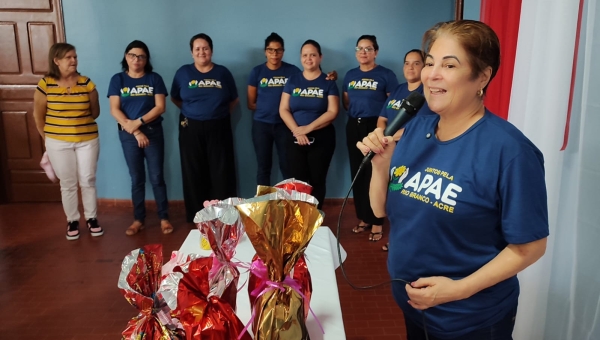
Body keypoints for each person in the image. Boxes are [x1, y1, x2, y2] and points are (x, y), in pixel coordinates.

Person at [357, 20, 549, 339]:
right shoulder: (417, 129)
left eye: (449, 64)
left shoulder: (511, 152)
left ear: (482, 77)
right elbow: (381, 211)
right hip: (414, 307)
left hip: (470, 319)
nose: (431, 74)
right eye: (430, 62)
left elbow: (531, 246)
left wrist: (457, 290)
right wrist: (381, 166)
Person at [33, 43, 103, 240]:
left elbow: (95, 112)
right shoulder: (45, 84)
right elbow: (39, 116)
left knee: (88, 179)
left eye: (75, 57)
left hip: (87, 139)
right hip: (57, 141)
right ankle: (72, 220)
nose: (73, 61)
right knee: (68, 182)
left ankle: (92, 218)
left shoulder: (87, 83)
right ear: (56, 60)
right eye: (68, 57)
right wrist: (48, 140)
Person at [248, 32, 337, 186]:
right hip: (264, 125)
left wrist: (331, 75)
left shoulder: (292, 71)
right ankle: (263, 206)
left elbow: (311, 76)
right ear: (265, 52)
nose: (274, 54)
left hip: (286, 128)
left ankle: (287, 205)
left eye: (278, 50)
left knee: (289, 171)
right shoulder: (257, 72)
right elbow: (251, 102)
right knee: (263, 167)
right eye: (270, 50)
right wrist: (268, 111)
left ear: (283, 51)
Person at [171, 33, 238, 223]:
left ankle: (224, 215)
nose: (202, 52)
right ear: (192, 52)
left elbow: (234, 100)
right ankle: (197, 215)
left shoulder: (223, 73)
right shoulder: (183, 73)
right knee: (193, 171)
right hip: (190, 127)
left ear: (211, 50)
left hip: (219, 126)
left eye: (205, 48)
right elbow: (176, 98)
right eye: (197, 49)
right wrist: (194, 112)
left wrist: (216, 114)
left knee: (221, 171)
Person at [107, 40, 173, 236]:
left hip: (153, 132)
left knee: (157, 177)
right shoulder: (118, 80)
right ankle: (138, 220)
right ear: (126, 57)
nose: (137, 59)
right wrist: (135, 130)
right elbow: (114, 109)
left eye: (141, 56)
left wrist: (140, 122)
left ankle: (164, 218)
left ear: (146, 60)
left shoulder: (154, 79)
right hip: (128, 135)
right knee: (137, 178)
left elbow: (160, 107)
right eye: (133, 55)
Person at [342, 35, 399, 242]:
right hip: (353, 126)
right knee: (357, 173)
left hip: (375, 128)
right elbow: (346, 102)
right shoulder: (350, 75)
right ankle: (363, 218)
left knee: (374, 174)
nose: (363, 52)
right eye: (360, 48)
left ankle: (377, 221)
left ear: (376, 52)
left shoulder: (386, 75)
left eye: (368, 49)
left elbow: (392, 105)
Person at [279, 40, 339, 210]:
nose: (309, 58)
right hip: (294, 137)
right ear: (300, 58)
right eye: (305, 55)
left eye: (313, 55)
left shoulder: (328, 82)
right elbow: (283, 109)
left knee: (317, 179)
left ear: (320, 57)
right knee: (297, 181)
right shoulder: (293, 80)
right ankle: (298, 220)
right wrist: (298, 132)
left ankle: (314, 219)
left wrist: (308, 128)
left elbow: (333, 112)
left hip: (322, 138)